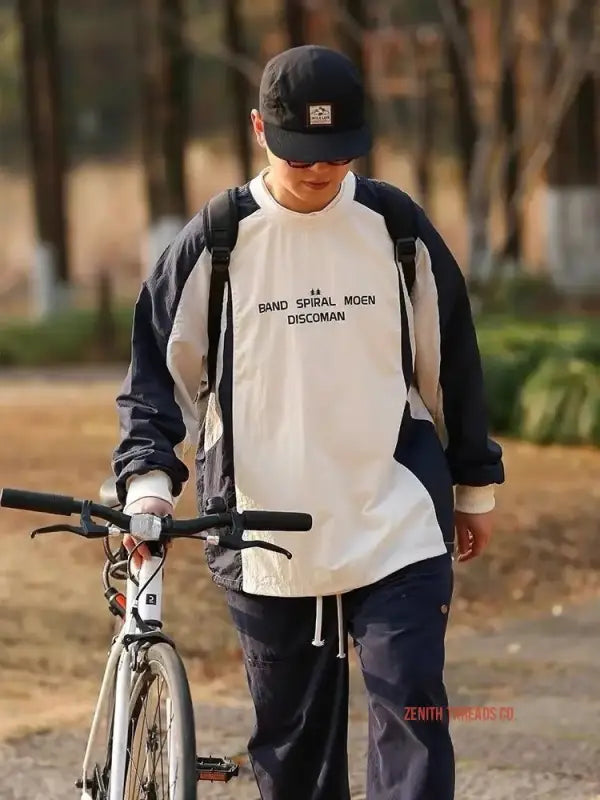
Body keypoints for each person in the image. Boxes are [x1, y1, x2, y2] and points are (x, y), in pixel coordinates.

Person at [113, 44, 504, 800]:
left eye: (336, 153)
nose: (318, 170)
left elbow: (450, 359)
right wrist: (151, 483)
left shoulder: (395, 227)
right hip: (264, 531)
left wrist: (475, 486)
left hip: (393, 515)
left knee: (413, 702)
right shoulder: (219, 239)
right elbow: (158, 379)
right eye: (300, 153)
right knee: (294, 758)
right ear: (260, 129)